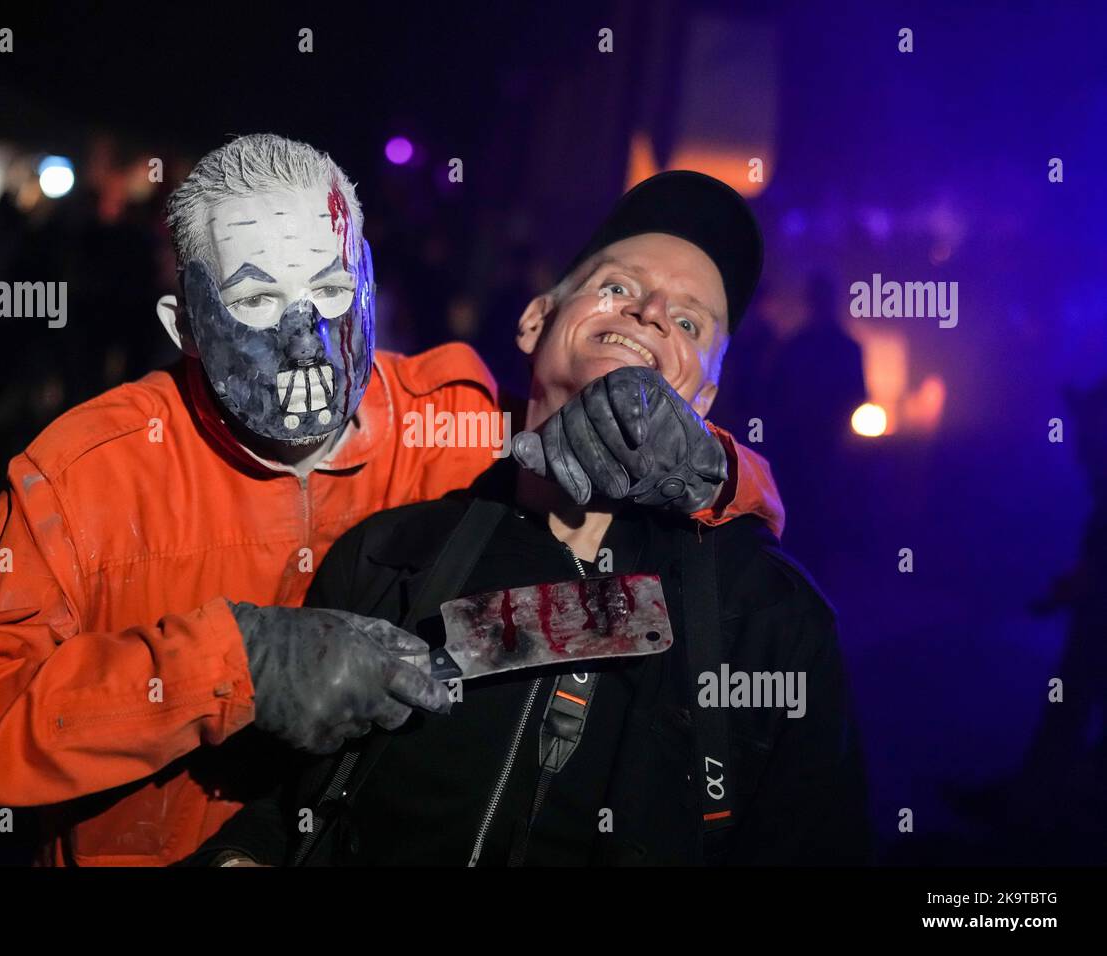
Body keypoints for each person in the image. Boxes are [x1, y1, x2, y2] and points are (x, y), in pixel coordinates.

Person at [0, 138, 785, 866]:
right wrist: (225, 669)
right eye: (258, 298)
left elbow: (688, 553)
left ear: (376, 287)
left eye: (333, 288)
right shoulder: (89, 473)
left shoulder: (461, 424)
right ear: (182, 326)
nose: (309, 336)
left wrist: (709, 468)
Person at [196, 171, 872, 866]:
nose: (648, 311)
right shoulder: (392, 554)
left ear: (705, 395)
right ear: (534, 321)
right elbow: (284, 804)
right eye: (615, 286)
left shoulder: (768, 620)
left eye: (689, 321)